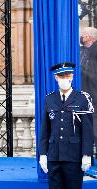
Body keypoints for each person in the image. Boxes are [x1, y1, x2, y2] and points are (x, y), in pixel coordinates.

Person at [39, 62, 94, 189]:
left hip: (73, 157)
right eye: (61, 76)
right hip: (54, 156)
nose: (65, 79)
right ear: (56, 78)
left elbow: (87, 130)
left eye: (67, 76)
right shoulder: (49, 99)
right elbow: (45, 129)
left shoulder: (82, 99)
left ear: (72, 77)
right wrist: (42, 154)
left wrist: (87, 154)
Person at [80, 27, 97, 155]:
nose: (82, 38)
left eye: (83, 36)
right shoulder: (86, 51)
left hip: (94, 93)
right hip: (88, 93)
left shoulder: (95, 51)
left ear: (89, 37)